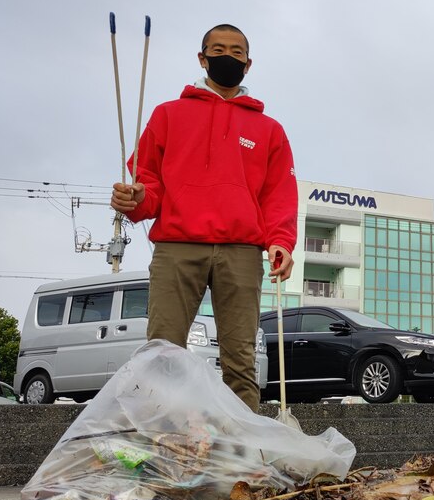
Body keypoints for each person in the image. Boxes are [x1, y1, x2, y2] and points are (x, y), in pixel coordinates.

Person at [111, 24, 297, 413]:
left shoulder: (269, 129)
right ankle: (159, 438)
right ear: (202, 58)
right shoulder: (167, 115)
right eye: (218, 50)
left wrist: (280, 241)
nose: (227, 57)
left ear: (248, 64)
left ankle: (241, 443)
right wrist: (135, 199)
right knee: (161, 351)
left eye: (236, 52)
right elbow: (148, 188)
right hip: (177, 245)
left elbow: (278, 194)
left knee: (240, 359)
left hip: (242, 250)